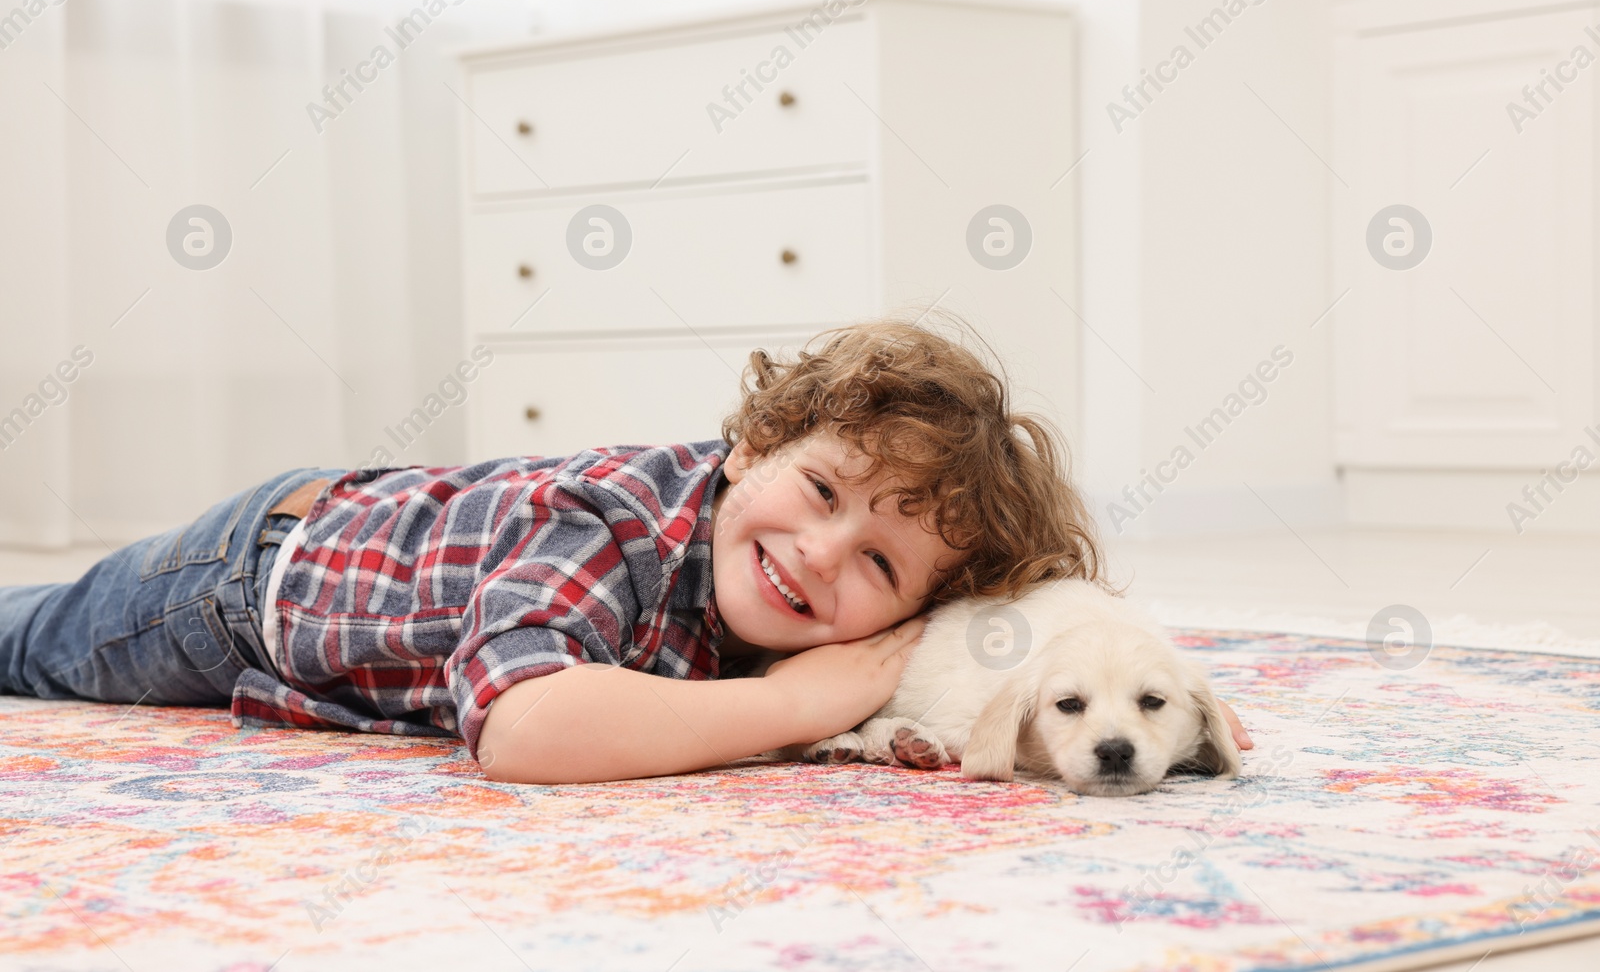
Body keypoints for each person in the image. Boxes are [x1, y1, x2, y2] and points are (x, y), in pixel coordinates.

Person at [0, 317, 1246, 784]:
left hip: (344, 589)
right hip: (248, 580)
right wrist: (796, 706)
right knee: (38, 643)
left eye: (878, 566)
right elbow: (528, 731)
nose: (818, 553)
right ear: (753, 442)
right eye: (816, 488)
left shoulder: (791, 603)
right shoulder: (610, 529)